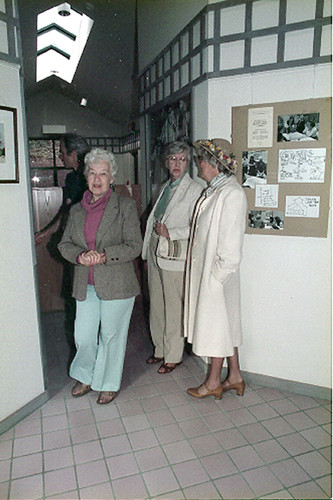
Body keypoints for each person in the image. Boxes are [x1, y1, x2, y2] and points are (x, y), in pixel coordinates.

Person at [58, 148, 142, 404]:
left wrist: (104, 255)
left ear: (111, 177)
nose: (97, 179)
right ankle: (85, 376)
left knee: (111, 336)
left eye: (103, 173)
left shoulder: (124, 206)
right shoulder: (76, 211)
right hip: (86, 284)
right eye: (92, 173)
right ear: (86, 176)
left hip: (117, 284)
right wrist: (81, 256)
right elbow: (64, 244)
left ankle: (108, 382)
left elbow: (134, 245)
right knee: (82, 336)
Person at [185, 139, 247, 399]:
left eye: (200, 158)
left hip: (218, 278)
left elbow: (231, 250)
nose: (197, 163)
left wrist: (215, 279)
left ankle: (213, 383)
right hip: (213, 276)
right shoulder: (214, 190)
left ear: (212, 163)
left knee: (217, 330)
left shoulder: (232, 194)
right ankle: (234, 377)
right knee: (227, 326)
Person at [142, 140, 202, 373]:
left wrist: (172, 233)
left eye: (182, 159)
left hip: (175, 252)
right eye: (173, 159)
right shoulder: (165, 187)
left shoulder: (195, 190)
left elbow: (198, 227)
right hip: (156, 248)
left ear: (188, 164)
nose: (177, 163)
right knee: (156, 303)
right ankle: (160, 349)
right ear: (166, 162)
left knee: (173, 306)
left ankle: (173, 355)